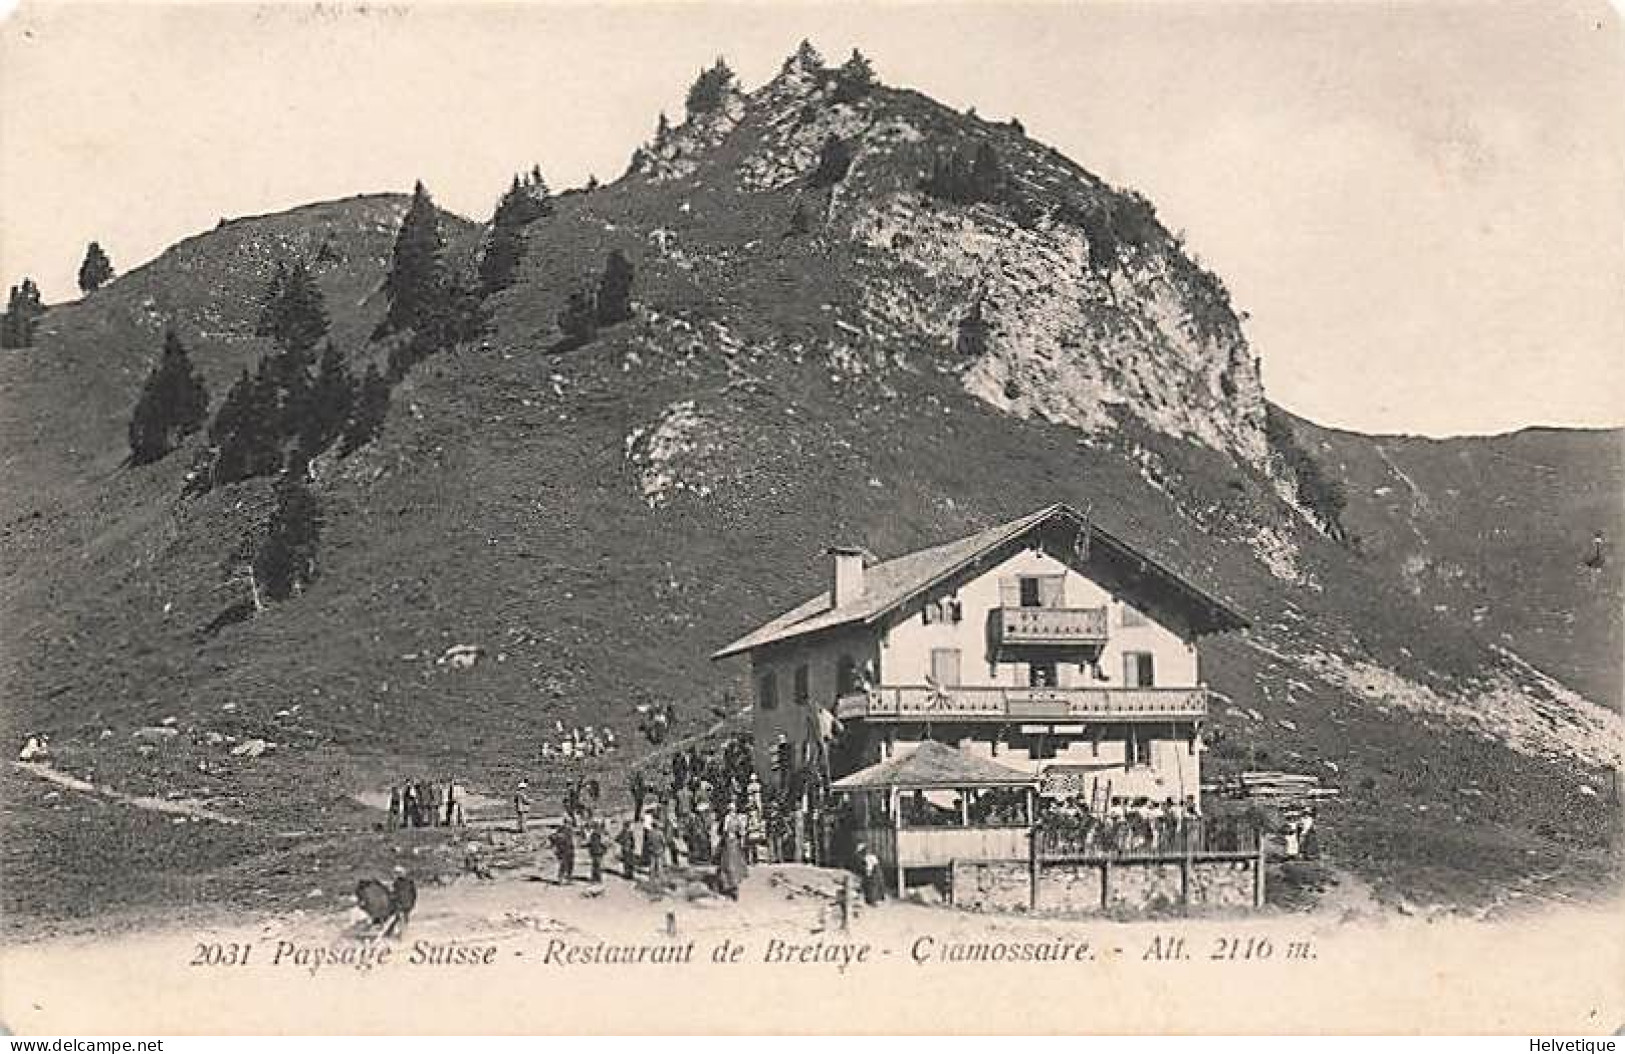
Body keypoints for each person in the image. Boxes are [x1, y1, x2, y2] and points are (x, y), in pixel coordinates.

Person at [715, 805, 747, 899]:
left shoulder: (730, 818)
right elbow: (741, 832)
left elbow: (723, 831)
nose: (732, 812)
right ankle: (731, 886)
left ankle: (731, 886)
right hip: (731, 843)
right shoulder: (735, 818)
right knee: (731, 865)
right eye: (731, 810)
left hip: (730, 843)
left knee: (729, 865)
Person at [645, 816, 667, 882]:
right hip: (659, 850)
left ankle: (651, 877)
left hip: (652, 850)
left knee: (652, 864)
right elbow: (663, 842)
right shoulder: (660, 833)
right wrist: (663, 848)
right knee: (659, 864)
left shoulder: (649, 833)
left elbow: (648, 842)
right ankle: (660, 877)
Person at [586, 819, 607, 883]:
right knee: (596, 865)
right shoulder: (596, 834)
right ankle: (596, 878)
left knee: (596, 865)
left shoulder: (595, 834)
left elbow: (602, 843)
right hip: (596, 851)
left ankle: (596, 878)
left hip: (596, 851)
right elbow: (602, 843)